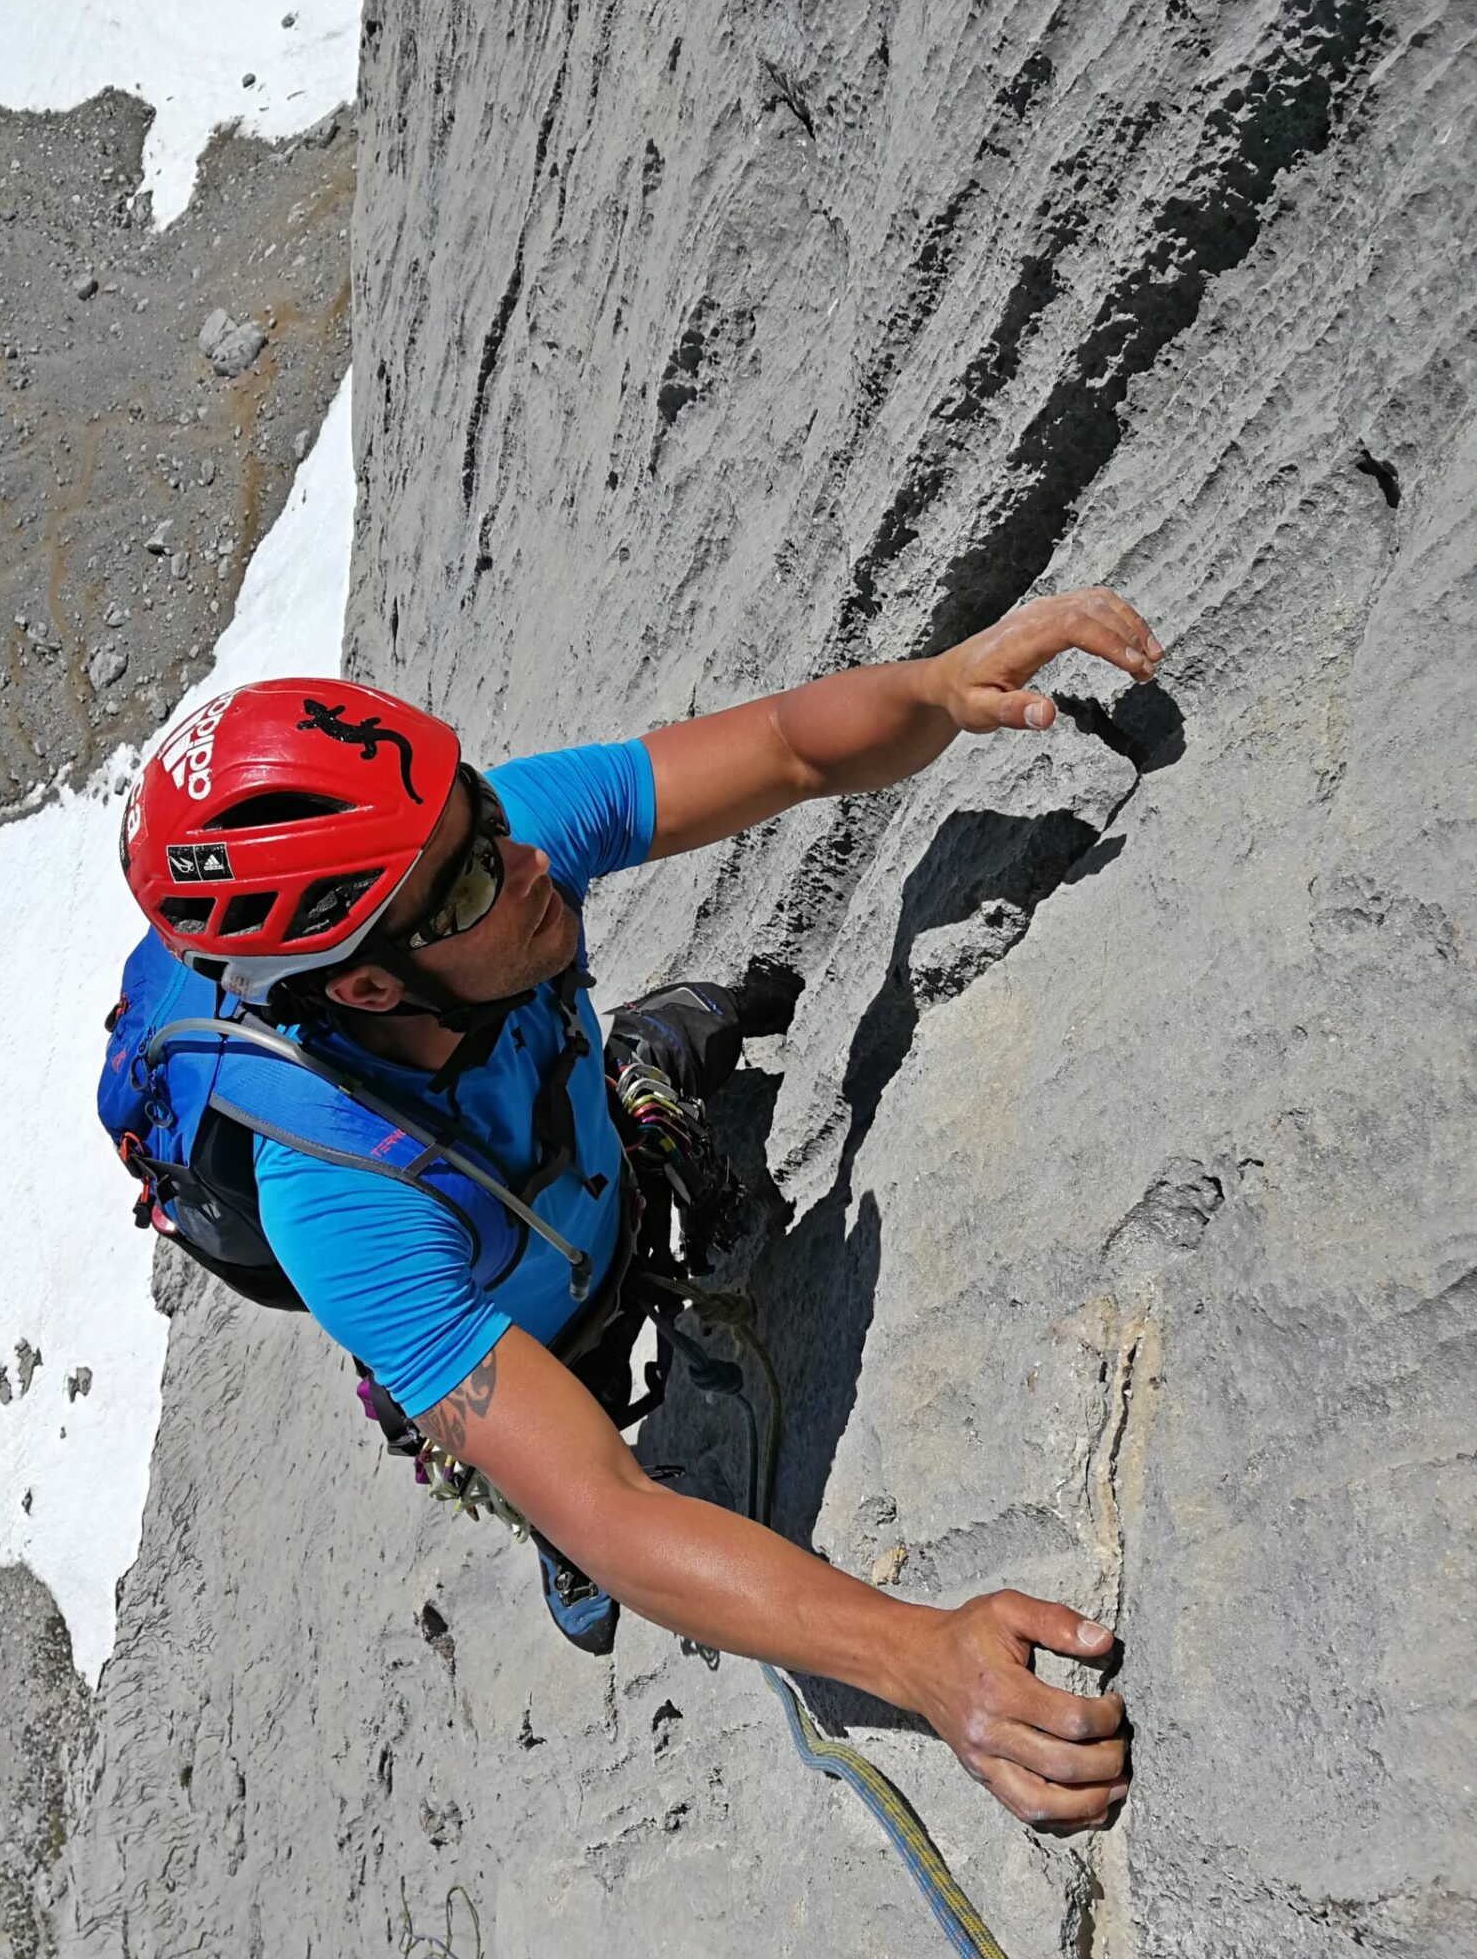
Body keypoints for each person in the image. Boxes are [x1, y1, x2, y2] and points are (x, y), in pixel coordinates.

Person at [117, 586, 1163, 1836]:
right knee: (564, 1478)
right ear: (362, 982)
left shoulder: (477, 864)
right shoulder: (338, 1207)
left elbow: (783, 746)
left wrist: (938, 687)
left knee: (611, 1110)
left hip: (568, 1164)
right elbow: (616, 1511)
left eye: (484, 813)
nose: (524, 863)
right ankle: (643, 1088)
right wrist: (918, 1658)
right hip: (525, 1314)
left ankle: (651, 1061)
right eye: (465, 887)